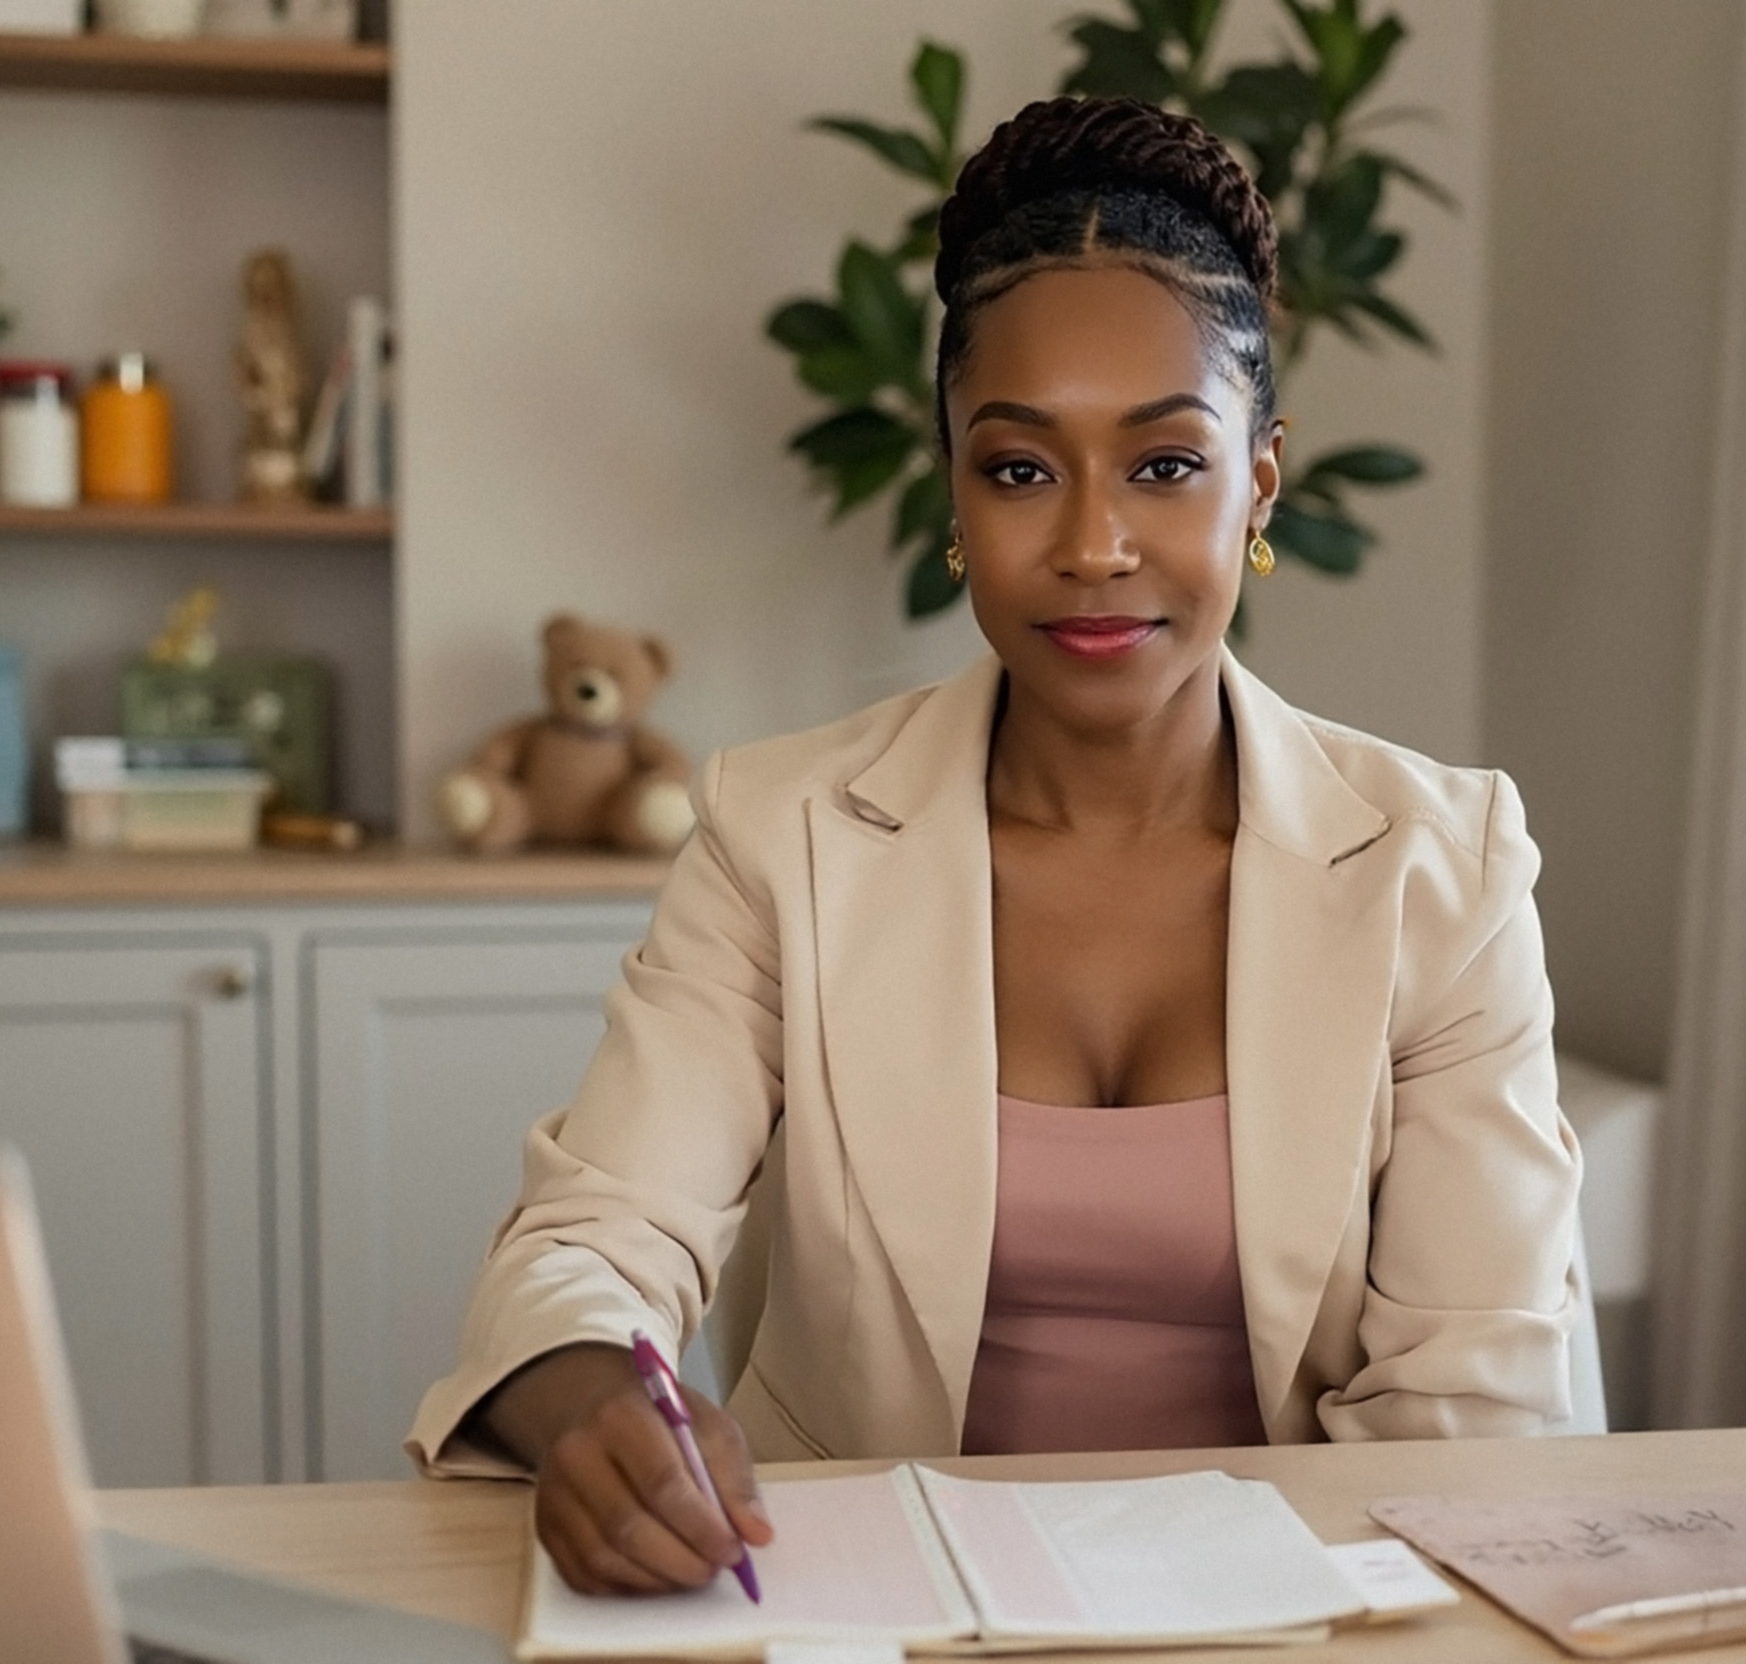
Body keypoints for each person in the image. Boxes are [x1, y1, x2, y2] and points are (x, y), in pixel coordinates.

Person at [407, 95, 1583, 1599]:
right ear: (956, 486)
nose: (1092, 543)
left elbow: (1465, 1407)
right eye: (1023, 469)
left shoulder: (1442, 863)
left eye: (1165, 466)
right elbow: (596, 1230)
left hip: (1306, 1617)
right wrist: (590, 1395)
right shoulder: (786, 835)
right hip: (861, 1608)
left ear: (1261, 484)